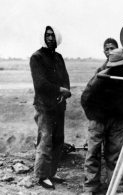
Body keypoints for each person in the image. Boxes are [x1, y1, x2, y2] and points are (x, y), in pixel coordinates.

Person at [81, 48, 123, 194]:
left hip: (117, 119)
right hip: (98, 119)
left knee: (116, 154)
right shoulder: (101, 78)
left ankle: (118, 188)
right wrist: (94, 118)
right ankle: (90, 187)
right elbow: (85, 99)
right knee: (93, 153)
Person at [29, 26, 71, 189]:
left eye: (53, 35)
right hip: (44, 106)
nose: (50, 38)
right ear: (43, 37)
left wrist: (65, 92)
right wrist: (60, 90)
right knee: (45, 141)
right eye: (47, 35)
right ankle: (42, 175)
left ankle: (52, 173)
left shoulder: (59, 57)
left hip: (59, 106)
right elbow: (40, 84)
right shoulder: (36, 57)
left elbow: (65, 78)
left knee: (58, 141)